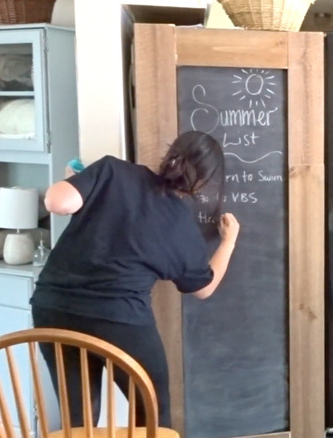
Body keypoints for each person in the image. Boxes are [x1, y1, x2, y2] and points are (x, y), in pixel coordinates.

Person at [30, 131, 238, 428]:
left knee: (79, 414)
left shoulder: (113, 170)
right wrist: (228, 242)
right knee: (154, 408)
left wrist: (77, 184)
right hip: (118, 319)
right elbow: (203, 288)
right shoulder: (180, 225)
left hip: (53, 309)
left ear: (169, 155)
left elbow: (57, 203)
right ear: (203, 182)